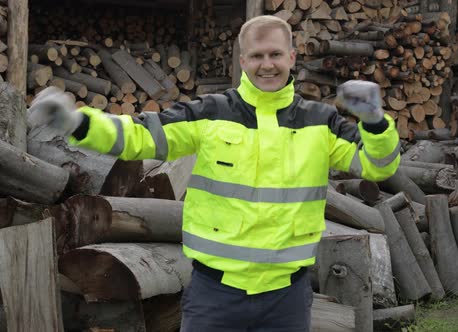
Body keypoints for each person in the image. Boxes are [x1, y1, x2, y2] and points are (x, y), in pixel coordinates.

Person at [28, 15, 401, 332]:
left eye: (275, 54)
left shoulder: (322, 123)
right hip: (214, 293)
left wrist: (374, 122)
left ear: (291, 56)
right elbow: (139, 136)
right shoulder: (210, 112)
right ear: (242, 61)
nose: (266, 64)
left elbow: (377, 165)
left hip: (287, 296)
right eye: (256, 56)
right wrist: (78, 122)